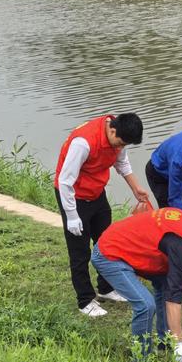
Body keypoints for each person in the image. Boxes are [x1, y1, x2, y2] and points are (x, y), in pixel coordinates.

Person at [91, 208, 182, 362]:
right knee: (145, 305)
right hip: (109, 254)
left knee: (165, 283)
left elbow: (174, 271)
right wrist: (179, 341)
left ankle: (165, 341)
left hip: (130, 248)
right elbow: (174, 295)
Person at [55, 113, 148, 318]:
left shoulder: (118, 140)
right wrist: (71, 215)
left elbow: (122, 164)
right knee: (80, 250)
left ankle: (106, 288)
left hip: (96, 193)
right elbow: (64, 182)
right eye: (121, 143)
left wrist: (136, 188)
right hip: (74, 196)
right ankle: (85, 300)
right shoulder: (84, 143)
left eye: (125, 145)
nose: (121, 148)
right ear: (112, 130)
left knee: (107, 243)